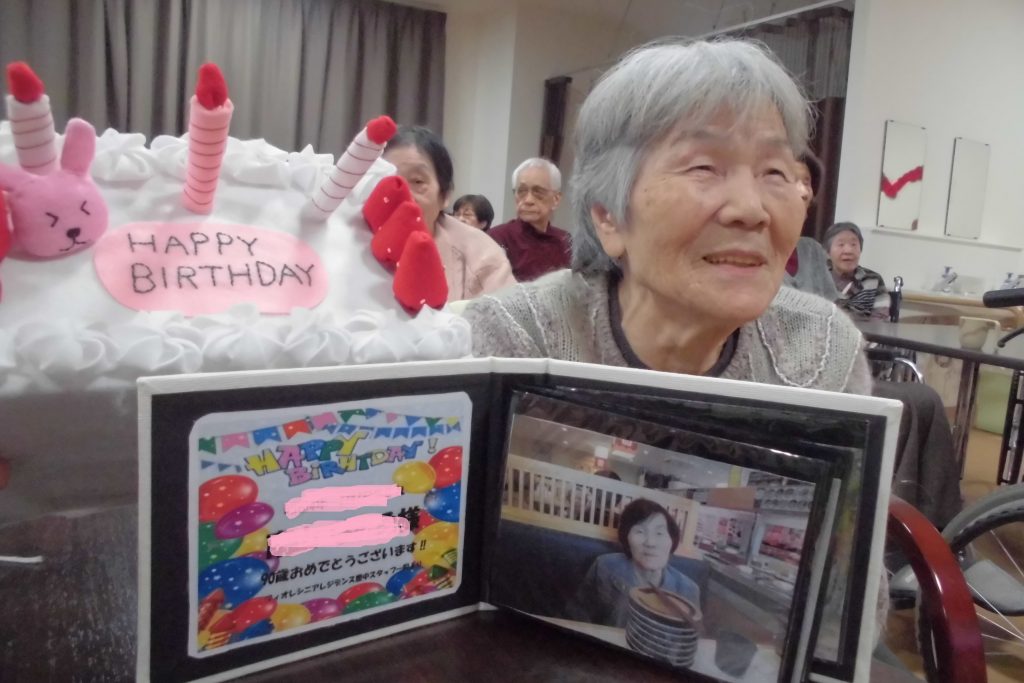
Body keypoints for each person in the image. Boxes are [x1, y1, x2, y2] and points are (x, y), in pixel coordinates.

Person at [464, 40, 869, 393]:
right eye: (704, 167)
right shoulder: (515, 342)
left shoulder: (823, 353)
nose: (751, 210)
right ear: (609, 217)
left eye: (775, 172)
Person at [383, 127, 515, 301]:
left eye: (417, 181)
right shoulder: (349, 238)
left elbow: (505, 314)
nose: (401, 193)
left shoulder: (481, 257)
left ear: (444, 196)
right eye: (387, 179)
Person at [566, 498, 701, 628]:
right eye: (640, 532)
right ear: (626, 539)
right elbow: (577, 615)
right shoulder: (605, 567)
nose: (651, 543)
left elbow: (689, 638)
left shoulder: (688, 589)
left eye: (659, 533)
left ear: (672, 540)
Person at [487, 158, 572, 282]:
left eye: (538, 192)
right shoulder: (497, 238)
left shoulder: (566, 242)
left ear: (556, 199)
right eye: (521, 191)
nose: (528, 200)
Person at [783, 152, 840, 301]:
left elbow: (833, 307)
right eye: (793, 180)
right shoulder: (752, 250)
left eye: (807, 182)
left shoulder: (813, 251)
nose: (804, 192)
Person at [824, 221, 889, 319]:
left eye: (853, 244)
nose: (848, 251)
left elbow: (880, 318)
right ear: (827, 253)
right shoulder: (819, 278)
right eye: (841, 244)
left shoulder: (873, 280)